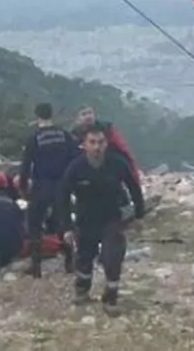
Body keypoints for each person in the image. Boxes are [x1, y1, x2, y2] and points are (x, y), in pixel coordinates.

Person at [57, 124, 145, 315]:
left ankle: (110, 299)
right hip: (85, 220)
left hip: (112, 219)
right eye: (92, 142)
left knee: (112, 257)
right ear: (84, 145)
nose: (97, 147)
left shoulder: (118, 164)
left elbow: (134, 188)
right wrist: (67, 227)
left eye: (101, 142)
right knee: (84, 258)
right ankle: (82, 290)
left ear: (107, 143)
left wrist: (139, 214)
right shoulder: (75, 168)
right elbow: (62, 197)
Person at [19, 102, 78, 278]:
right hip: (62, 184)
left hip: (41, 185)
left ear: (37, 116)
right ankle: (69, 261)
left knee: (35, 223)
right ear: (51, 115)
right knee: (64, 222)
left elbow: (25, 166)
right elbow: (75, 158)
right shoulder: (64, 135)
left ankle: (36, 266)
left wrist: (23, 187)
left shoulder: (34, 138)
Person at [72, 106, 142, 185]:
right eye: (83, 114)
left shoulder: (107, 129)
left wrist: (134, 175)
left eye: (90, 113)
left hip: (111, 167)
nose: (88, 116)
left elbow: (123, 149)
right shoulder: (74, 136)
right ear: (77, 119)